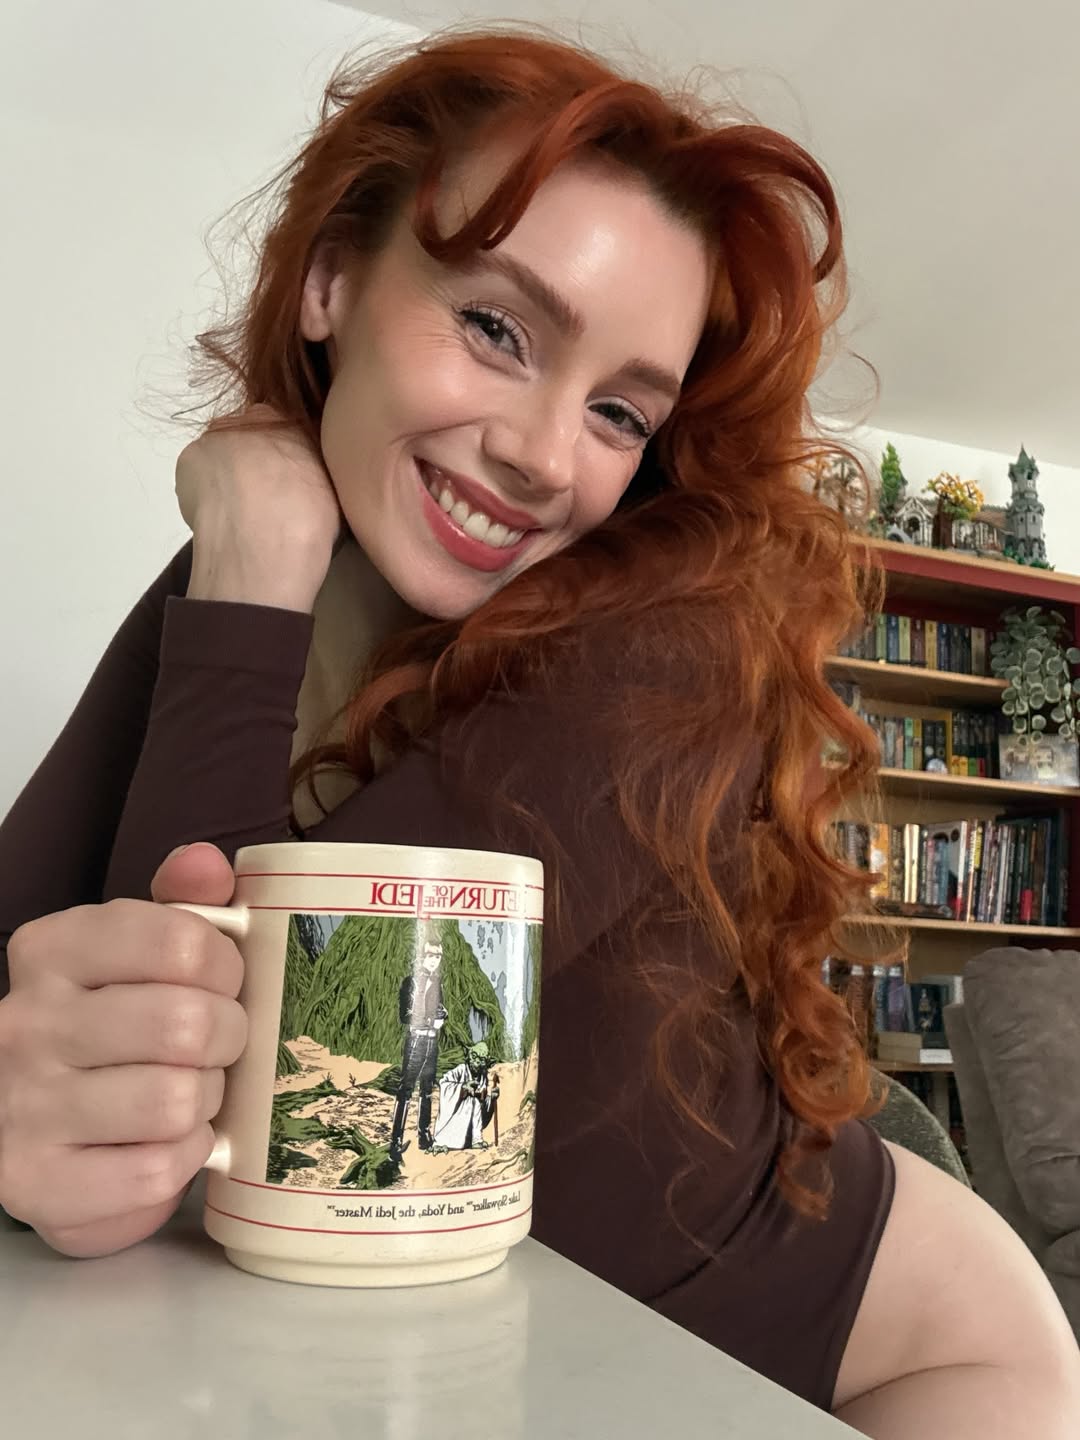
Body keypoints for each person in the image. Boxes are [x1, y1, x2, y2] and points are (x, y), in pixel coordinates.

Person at [0, 26, 1077, 1434]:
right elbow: (46, 972)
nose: (544, 456)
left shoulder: (662, 642)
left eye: (621, 412)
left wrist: (252, 558)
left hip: (896, 1348)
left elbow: (296, 1098)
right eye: (497, 330)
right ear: (330, 279)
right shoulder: (250, 575)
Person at [389, 934, 448, 1160]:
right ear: (421, 956)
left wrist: (442, 1015)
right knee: (406, 1090)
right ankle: (395, 1141)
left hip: (432, 1040)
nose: (434, 960)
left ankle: (424, 1136)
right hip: (415, 1040)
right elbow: (405, 1016)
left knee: (427, 1089)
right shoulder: (410, 982)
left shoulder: (438, 982)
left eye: (437, 956)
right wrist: (430, 1020)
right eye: (430, 955)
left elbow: (440, 1008)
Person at [432, 1042, 499, 1152]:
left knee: (475, 1103)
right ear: (472, 1057)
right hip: (455, 1119)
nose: (480, 1065)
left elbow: (482, 1102)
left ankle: (476, 1140)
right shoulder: (460, 1070)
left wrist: (491, 1098)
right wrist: (462, 1088)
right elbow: (444, 1083)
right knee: (471, 1101)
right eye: (478, 1061)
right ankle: (443, 1141)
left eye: (483, 1062)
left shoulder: (483, 1075)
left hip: (471, 1126)